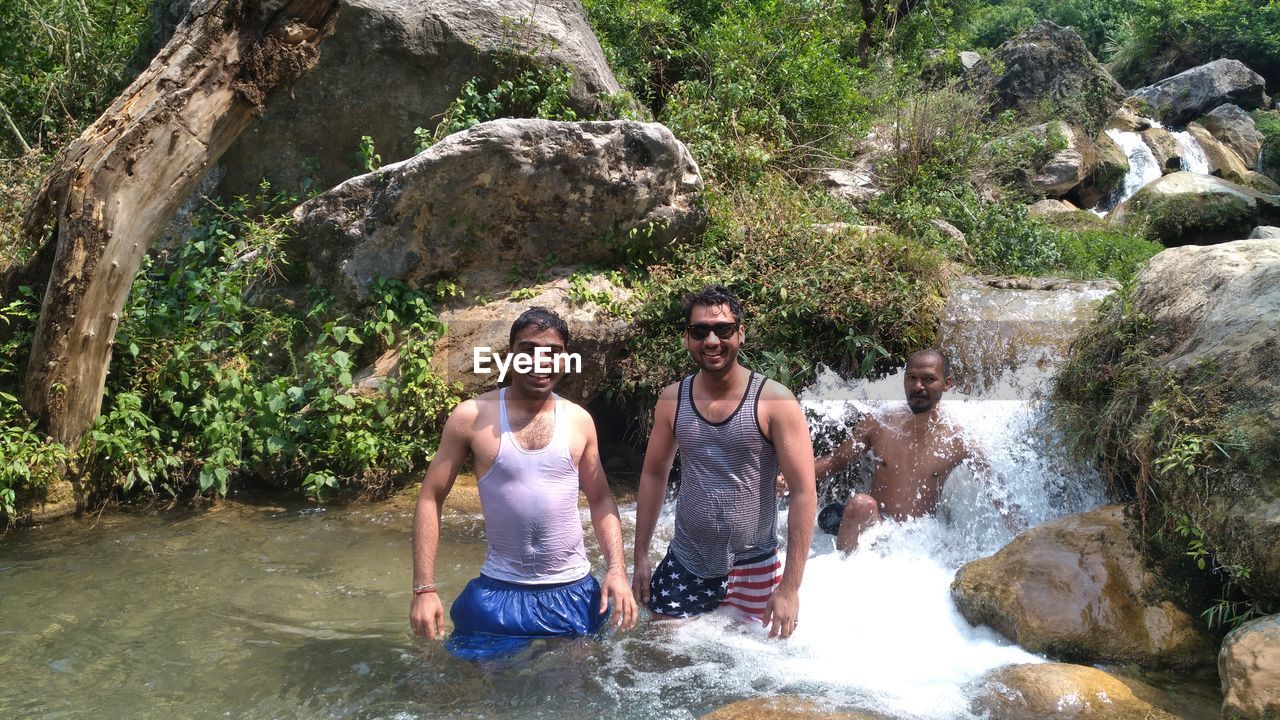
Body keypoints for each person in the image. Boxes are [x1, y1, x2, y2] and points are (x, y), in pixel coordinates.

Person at [409, 307, 637, 660]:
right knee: (469, 696)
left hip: (571, 590)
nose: (539, 361)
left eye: (552, 353)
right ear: (510, 354)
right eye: (528, 349)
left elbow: (602, 500)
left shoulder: (579, 421)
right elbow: (430, 497)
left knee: (578, 696)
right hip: (499, 589)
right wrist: (424, 589)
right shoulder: (472, 416)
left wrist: (617, 572)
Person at [631, 285, 817, 640]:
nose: (711, 340)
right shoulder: (672, 399)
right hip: (686, 563)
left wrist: (790, 588)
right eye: (700, 331)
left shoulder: (774, 401)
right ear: (688, 338)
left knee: (756, 676)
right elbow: (654, 474)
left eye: (723, 329)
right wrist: (640, 555)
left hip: (756, 568)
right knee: (656, 658)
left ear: (740, 333)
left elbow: (804, 492)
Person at [797, 349, 1018, 553]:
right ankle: (842, 573)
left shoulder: (959, 438)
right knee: (860, 505)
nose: (918, 386)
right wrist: (789, 478)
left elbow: (998, 494)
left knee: (956, 551)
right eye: (911, 378)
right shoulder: (881, 422)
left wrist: (1025, 540)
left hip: (921, 536)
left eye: (929, 379)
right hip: (877, 524)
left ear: (947, 383)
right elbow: (836, 461)